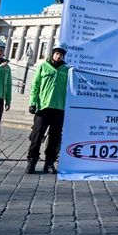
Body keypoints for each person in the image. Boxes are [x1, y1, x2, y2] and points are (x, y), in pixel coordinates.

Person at [26, 42, 70, 174]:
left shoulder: (67, 70)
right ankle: (32, 161)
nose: (58, 56)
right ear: (52, 54)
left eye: (61, 54)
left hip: (59, 108)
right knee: (37, 135)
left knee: (55, 137)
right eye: (57, 53)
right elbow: (35, 86)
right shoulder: (43, 67)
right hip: (43, 107)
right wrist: (33, 102)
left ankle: (49, 163)